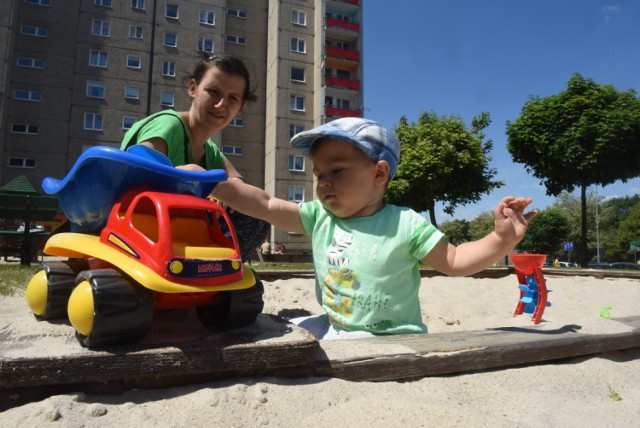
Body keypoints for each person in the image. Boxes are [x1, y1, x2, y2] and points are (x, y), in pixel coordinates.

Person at [211, 117, 537, 339]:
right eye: (319, 174)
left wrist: (499, 238)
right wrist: (215, 182)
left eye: (336, 171)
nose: (323, 183)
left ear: (379, 174)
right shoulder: (319, 216)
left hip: (388, 336)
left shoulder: (404, 223)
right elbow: (266, 205)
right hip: (335, 323)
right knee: (283, 328)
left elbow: (455, 260)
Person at [121, 52, 269, 260]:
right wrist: (192, 177)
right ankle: (212, 269)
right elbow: (140, 175)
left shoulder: (209, 151)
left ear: (240, 107)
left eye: (232, 98)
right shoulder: (169, 125)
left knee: (256, 215)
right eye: (213, 92)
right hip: (135, 223)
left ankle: (219, 269)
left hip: (175, 226)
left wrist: (226, 192)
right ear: (193, 88)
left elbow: (239, 184)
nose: (220, 105)